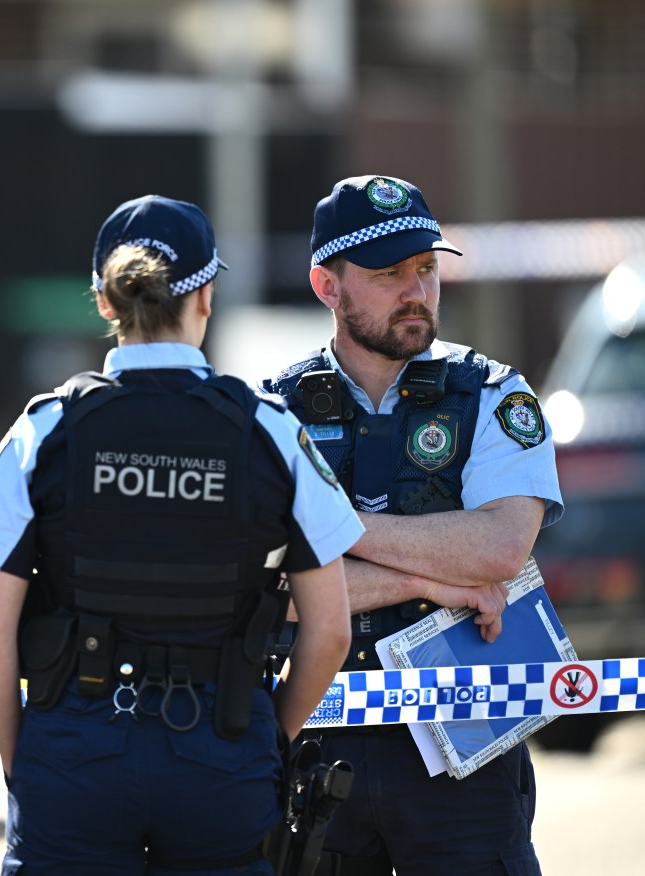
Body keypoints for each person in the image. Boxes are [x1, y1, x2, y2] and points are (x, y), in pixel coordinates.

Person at [0, 194, 362, 875]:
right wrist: (264, 742)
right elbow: (331, 633)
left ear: (105, 301)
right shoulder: (269, 432)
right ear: (205, 296)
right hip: (222, 754)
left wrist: (23, 763)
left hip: (72, 754)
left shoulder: (46, 429)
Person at [261, 174, 564, 875]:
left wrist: (330, 525)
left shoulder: (493, 393)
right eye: (388, 272)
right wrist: (439, 578)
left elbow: (497, 549)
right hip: (314, 734)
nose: (415, 289)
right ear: (326, 286)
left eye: (425, 268)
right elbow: (258, 584)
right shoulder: (269, 412)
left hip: (465, 738)